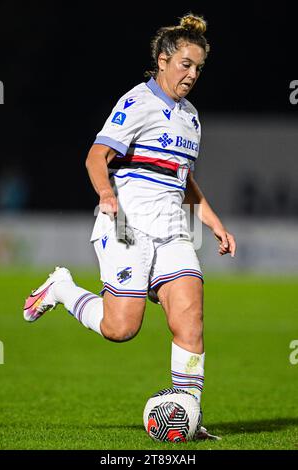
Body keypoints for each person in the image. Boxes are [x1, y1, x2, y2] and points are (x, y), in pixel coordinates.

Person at [23, 13, 236, 440]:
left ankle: (187, 417)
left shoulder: (191, 117)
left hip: (173, 229)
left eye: (198, 68)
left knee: (190, 316)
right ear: (162, 60)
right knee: (122, 329)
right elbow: (95, 156)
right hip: (126, 226)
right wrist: (106, 195)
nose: (191, 75)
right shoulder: (137, 102)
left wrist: (212, 221)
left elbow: (182, 179)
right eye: (185, 65)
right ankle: (63, 288)